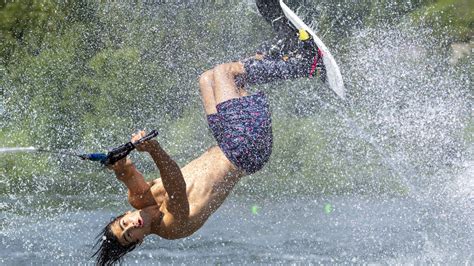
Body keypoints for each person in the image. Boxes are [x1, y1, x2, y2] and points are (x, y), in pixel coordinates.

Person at [92, 19, 324, 266]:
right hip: (245, 151)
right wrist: (154, 150)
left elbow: (126, 171)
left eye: (124, 224)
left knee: (207, 79)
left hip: (228, 141)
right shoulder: (171, 227)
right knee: (226, 73)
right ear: (138, 241)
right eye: (130, 235)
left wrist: (116, 162)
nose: (132, 226)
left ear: (125, 215)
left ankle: (281, 50)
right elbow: (176, 188)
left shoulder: (139, 200)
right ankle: (306, 65)